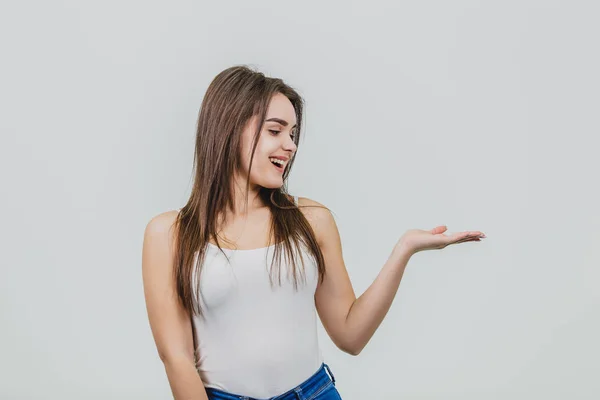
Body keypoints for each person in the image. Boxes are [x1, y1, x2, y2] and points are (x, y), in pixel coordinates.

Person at [141, 65, 486, 400]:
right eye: (275, 131)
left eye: (292, 134)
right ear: (229, 129)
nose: (290, 146)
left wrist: (404, 249)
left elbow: (351, 335)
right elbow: (177, 358)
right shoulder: (169, 233)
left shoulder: (310, 219)